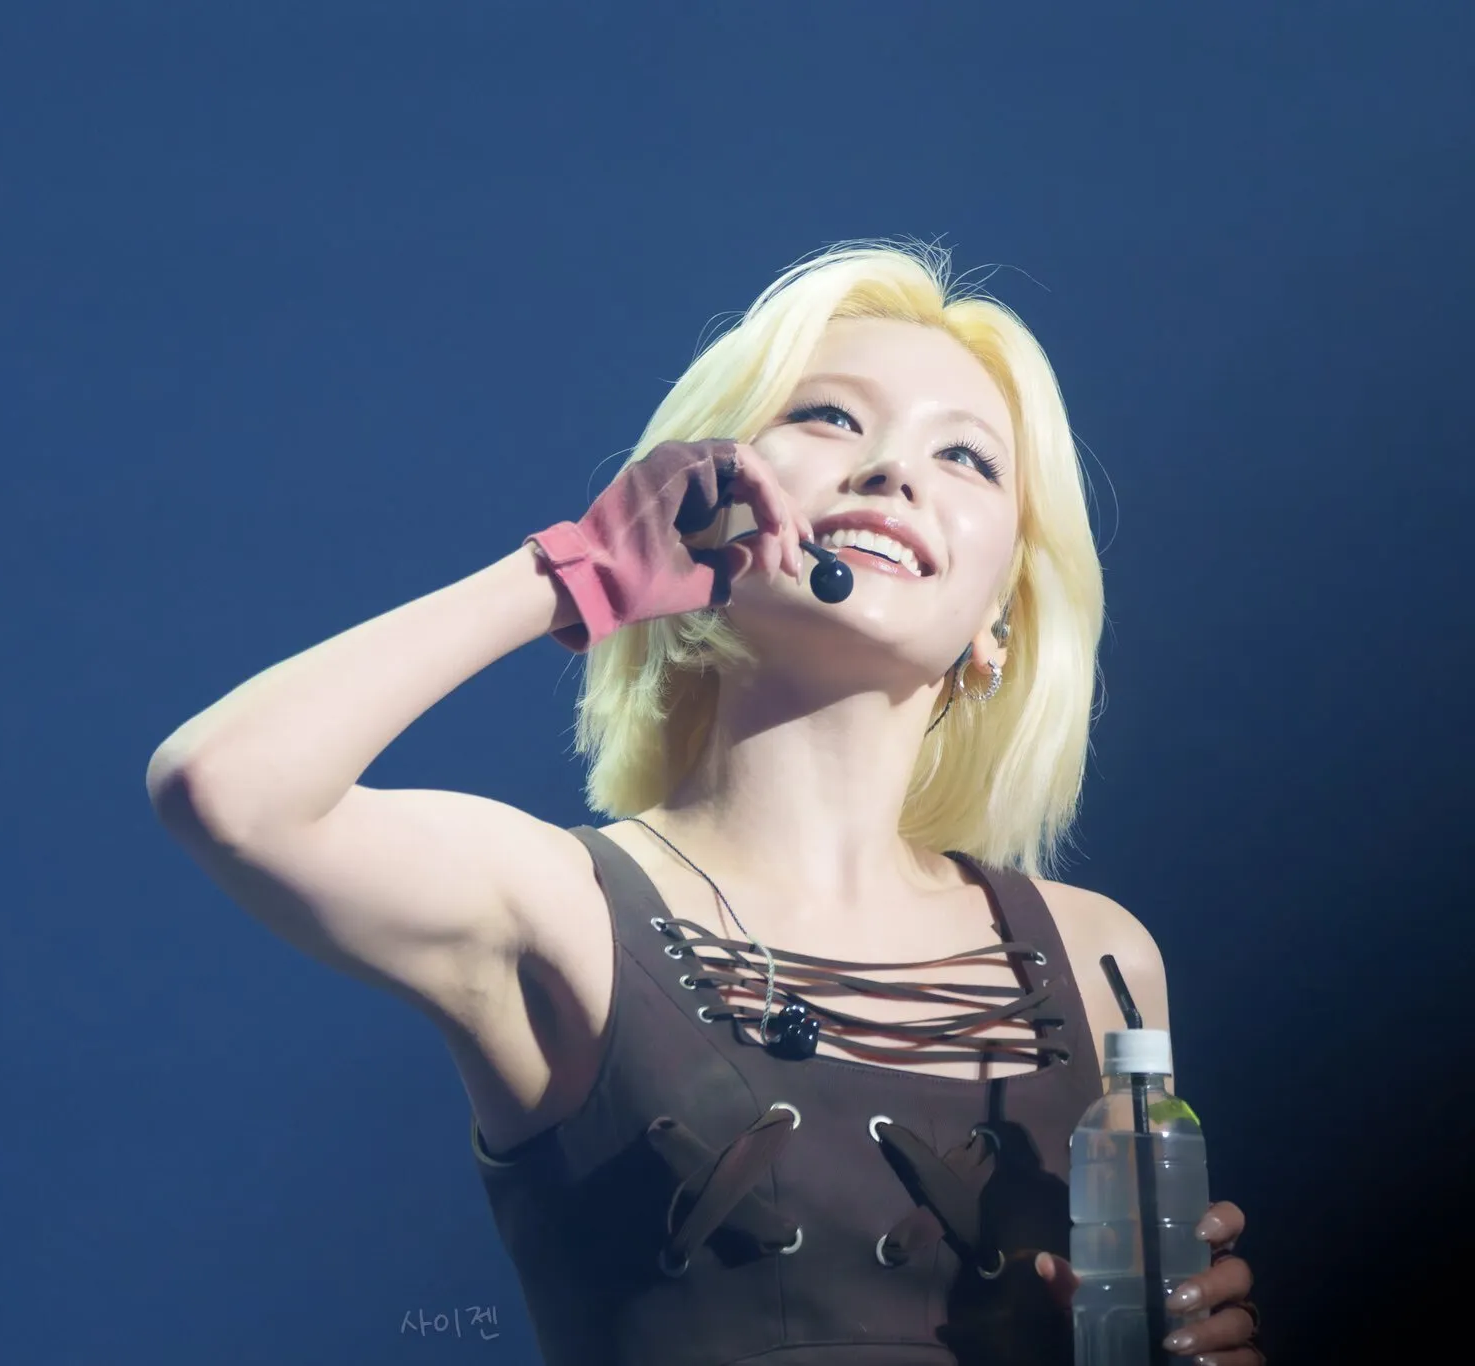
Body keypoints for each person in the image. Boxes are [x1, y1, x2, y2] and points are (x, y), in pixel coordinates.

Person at [146, 241, 1261, 1365]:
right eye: (828, 417)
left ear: (999, 615)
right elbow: (227, 786)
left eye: (966, 456)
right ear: (705, 497)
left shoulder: (1102, 959)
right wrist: (577, 571)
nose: (891, 470)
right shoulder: (563, 910)